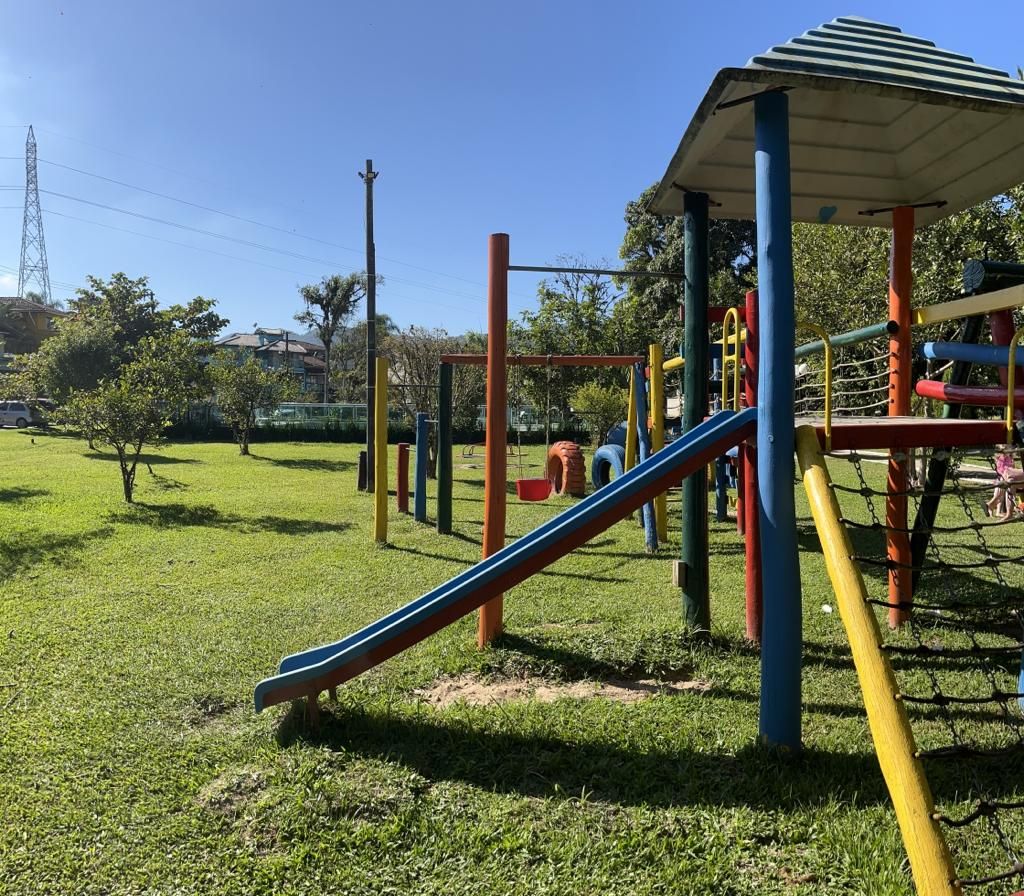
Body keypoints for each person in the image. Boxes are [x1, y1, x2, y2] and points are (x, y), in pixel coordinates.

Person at [985, 446, 1024, 520]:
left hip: (1008, 478)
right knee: (998, 495)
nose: (1011, 449)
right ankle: (992, 507)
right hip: (1002, 478)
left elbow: (1012, 467)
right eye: (1009, 448)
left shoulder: (1010, 457)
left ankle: (993, 508)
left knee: (1000, 496)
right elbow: (1001, 469)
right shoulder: (1002, 458)